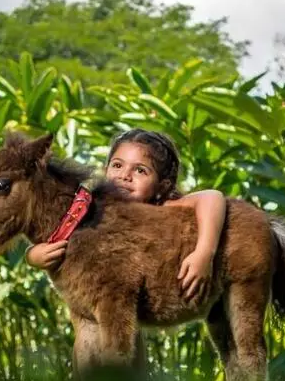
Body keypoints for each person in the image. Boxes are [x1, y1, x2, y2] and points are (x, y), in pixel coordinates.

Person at [25, 128, 227, 301]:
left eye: (140, 170)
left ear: (161, 186)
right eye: (117, 165)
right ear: (105, 170)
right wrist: (32, 256)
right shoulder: (95, 208)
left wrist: (204, 254)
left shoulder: (162, 208)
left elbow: (212, 197)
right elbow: (64, 231)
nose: (124, 176)